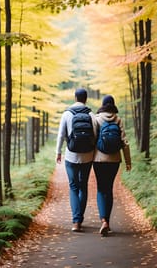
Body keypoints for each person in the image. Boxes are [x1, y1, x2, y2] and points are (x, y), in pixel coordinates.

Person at [55, 88, 97, 232]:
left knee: (73, 186)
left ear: (75, 98)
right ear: (86, 98)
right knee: (83, 186)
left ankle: (76, 221)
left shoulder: (67, 114)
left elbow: (61, 135)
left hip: (71, 156)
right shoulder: (91, 115)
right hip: (87, 156)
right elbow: (96, 136)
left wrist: (58, 152)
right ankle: (80, 218)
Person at [93, 95, 131, 236]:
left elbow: (93, 139)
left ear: (103, 105)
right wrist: (128, 161)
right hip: (115, 160)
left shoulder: (97, 119)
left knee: (101, 189)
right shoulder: (118, 119)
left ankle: (104, 221)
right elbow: (125, 142)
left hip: (99, 159)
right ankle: (107, 221)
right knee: (109, 189)